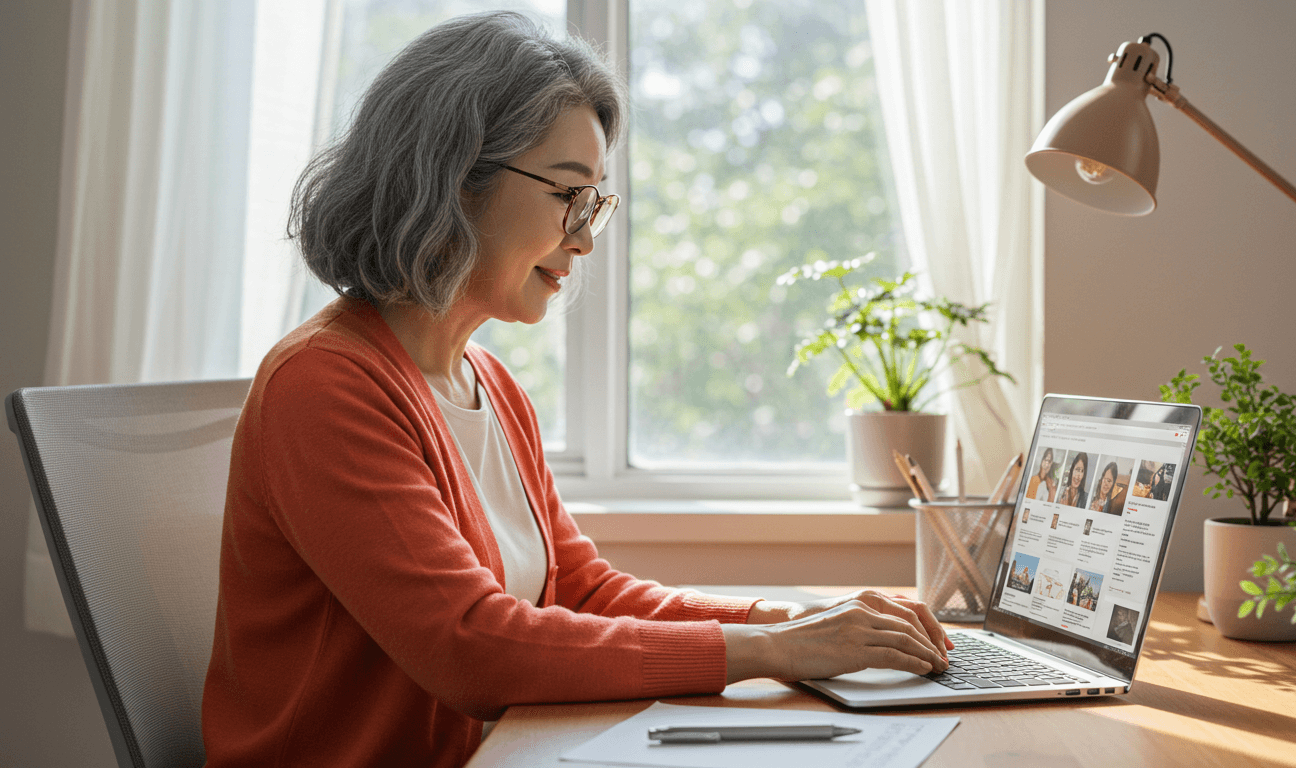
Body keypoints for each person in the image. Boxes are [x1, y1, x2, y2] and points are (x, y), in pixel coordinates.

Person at [200, 13, 950, 768]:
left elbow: (579, 592)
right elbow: (471, 647)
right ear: (456, 179)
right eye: (568, 194)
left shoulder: (490, 384)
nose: (585, 238)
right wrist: (774, 650)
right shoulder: (323, 386)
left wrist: (790, 620)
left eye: (594, 203)